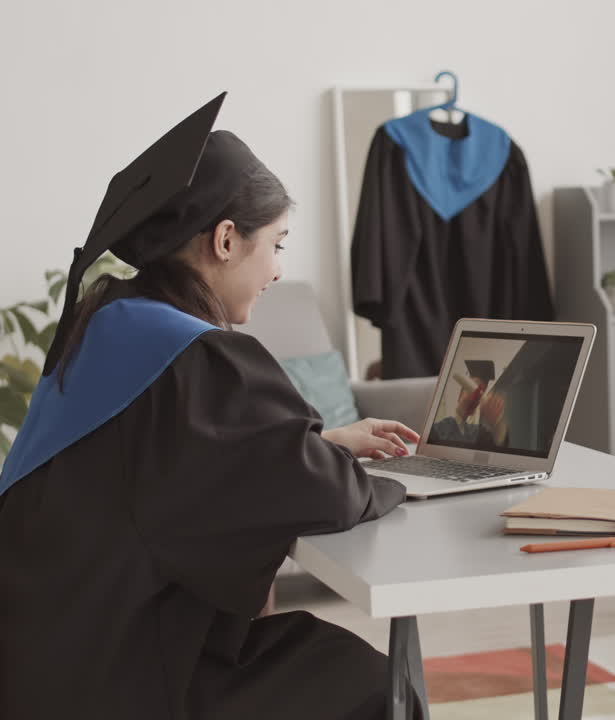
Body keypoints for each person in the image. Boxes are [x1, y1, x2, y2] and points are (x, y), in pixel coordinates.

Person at [0, 98, 423, 719]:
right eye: (276, 244)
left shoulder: (107, 323)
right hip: (127, 678)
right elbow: (327, 495)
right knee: (369, 685)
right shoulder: (198, 358)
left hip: (40, 660)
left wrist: (321, 444)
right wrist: (395, 483)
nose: (278, 270)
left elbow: (174, 472)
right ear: (227, 239)